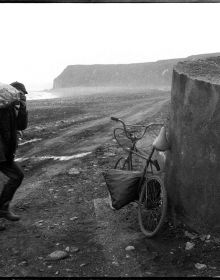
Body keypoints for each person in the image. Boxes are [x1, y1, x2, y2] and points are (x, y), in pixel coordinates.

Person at [0, 82, 28, 230]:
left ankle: (3, 209)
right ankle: (3, 210)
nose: (21, 96)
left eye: (23, 95)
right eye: (20, 94)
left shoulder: (12, 108)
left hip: (5, 153)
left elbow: (22, 126)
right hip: (1, 153)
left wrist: (23, 107)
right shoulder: (2, 108)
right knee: (16, 176)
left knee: (17, 176)